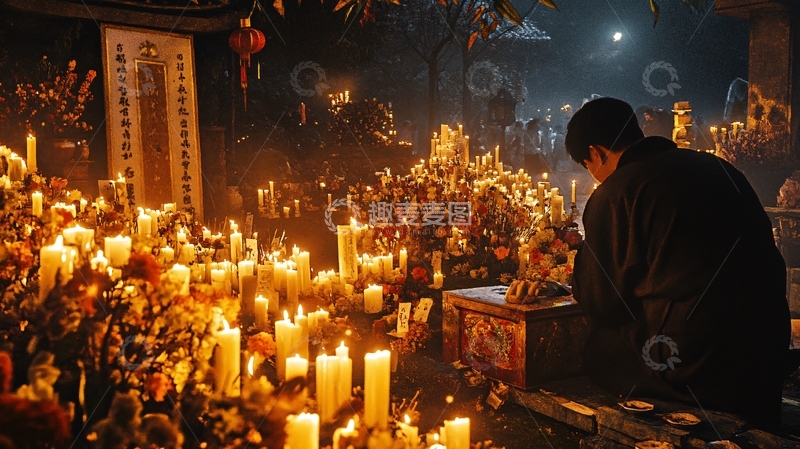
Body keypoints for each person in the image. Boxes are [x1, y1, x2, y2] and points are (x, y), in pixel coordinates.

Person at [565, 97, 790, 426]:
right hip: (766, 352)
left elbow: (602, 303)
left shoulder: (616, 192)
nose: (595, 178)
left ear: (596, 152)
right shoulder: (717, 167)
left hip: (698, 366)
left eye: (589, 166)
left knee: (597, 347)